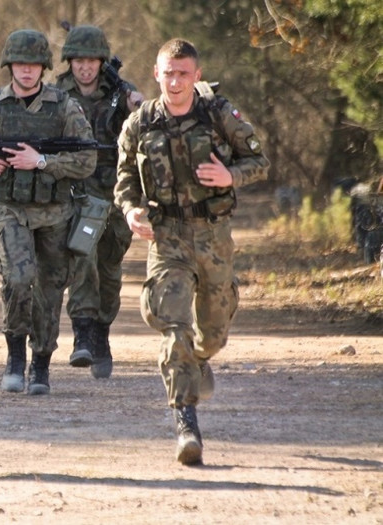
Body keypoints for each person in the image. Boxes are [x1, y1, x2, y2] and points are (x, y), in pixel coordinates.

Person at [115, 38, 269, 465]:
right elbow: (124, 176)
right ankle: (186, 421)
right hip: (167, 239)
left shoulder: (219, 113)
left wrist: (229, 175)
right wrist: (130, 210)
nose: (176, 81)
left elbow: (260, 163)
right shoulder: (140, 122)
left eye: (184, 73)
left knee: (214, 332)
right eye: (169, 73)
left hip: (213, 235)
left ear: (196, 75)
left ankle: (199, 359)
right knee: (173, 324)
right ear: (156, 73)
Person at [0, 29, 96, 395]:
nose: (27, 71)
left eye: (34, 65)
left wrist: (43, 161)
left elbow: (87, 159)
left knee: (50, 289)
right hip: (10, 210)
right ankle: (15, 356)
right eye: (20, 64)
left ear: (44, 68)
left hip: (55, 212)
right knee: (18, 281)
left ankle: (42, 364)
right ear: (10, 66)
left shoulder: (64, 107)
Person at [55, 25, 143, 379]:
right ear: (70, 62)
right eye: (78, 60)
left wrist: (137, 108)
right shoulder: (56, 94)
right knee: (82, 260)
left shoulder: (122, 94)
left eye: (91, 61)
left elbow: (144, 130)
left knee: (109, 269)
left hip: (115, 194)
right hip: (76, 192)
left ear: (101, 62)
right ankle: (83, 334)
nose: (85, 68)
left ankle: (102, 334)